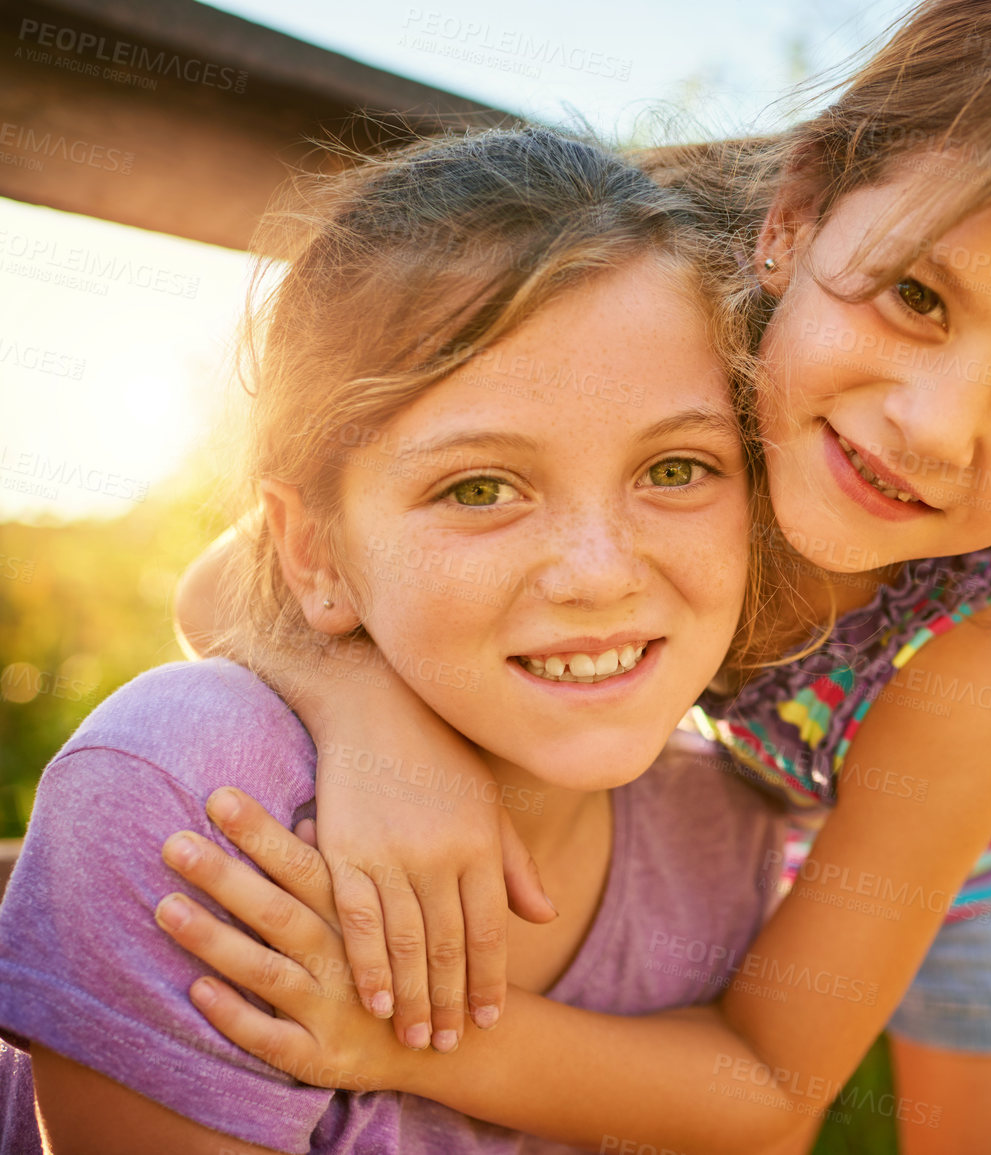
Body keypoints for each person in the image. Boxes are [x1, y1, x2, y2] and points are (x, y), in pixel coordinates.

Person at [173, 0, 991, 1149]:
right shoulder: (637, 331)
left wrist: (404, 1037)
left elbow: (766, 1087)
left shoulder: (967, 672)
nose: (936, 430)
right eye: (917, 295)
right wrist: (379, 731)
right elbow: (228, 585)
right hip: (751, 808)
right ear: (793, 219)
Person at [0, 127, 788, 1154]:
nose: (599, 571)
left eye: (677, 469)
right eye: (479, 488)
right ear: (315, 552)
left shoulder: (719, 836)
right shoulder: (197, 794)